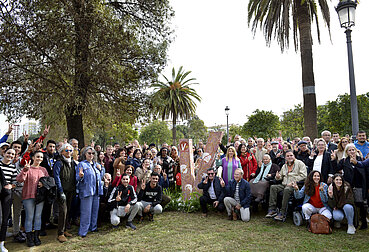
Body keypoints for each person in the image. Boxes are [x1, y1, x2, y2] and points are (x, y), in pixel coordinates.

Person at [16, 151, 49, 247]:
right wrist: (25, 170)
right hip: (28, 196)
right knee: (29, 217)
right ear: (33, 158)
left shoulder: (43, 170)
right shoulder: (28, 168)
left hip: (40, 197)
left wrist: (43, 184)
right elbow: (19, 179)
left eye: (41, 157)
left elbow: (48, 181)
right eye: (37, 156)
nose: (39, 159)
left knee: (38, 217)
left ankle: (36, 236)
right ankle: (29, 237)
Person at [266, 150, 307, 221]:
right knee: (273, 187)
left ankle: (283, 212)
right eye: (287, 156)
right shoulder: (284, 166)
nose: (290, 157)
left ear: (294, 156)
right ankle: (272, 209)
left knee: (287, 189)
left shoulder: (300, 163)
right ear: (285, 158)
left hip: (294, 185)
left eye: (291, 155)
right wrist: (277, 177)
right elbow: (280, 177)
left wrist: (293, 181)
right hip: (284, 184)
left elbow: (303, 175)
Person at [334, 144, 367, 230]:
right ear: (346, 152)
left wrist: (355, 163)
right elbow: (336, 168)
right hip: (349, 186)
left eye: (353, 150)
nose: (352, 151)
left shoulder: (361, 160)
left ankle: (364, 222)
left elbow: (363, 171)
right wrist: (333, 160)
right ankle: (353, 222)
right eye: (349, 150)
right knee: (351, 203)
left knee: (360, 204)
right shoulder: (344, 161)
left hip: (359, 185)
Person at [76, 147, 104, 237]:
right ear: (85, 154)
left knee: (94, 211)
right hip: (86, 191)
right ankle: (83, 231)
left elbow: (100, 177)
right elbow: (77, 179)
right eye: (89, 153)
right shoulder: (82, 164)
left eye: (93, 153)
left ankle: (93, 227)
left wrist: (101, 169)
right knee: (86, 212)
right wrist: (80, 176)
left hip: (96, 191)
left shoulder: (96, 165)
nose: (91, 155)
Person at [53, 143, 76, 242]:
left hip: (71, 190)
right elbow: (56, 177)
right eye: (67, 150)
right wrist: (60, 191)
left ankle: (65, 229)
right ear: (62, 152)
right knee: (63, 211)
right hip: (62, 190)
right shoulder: (59, 162)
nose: (69, 152)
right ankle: (60, 233)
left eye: (71, 150)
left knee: (68, 210)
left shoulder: (73, 162)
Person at [0, 148, 17, 252]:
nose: (10, 155)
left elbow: (15, 183)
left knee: (5, 220)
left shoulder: (13, 167)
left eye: (12, 154)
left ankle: (1, 243)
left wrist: (11, 185)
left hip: (6, 195)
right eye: (9, 153)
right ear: (4, 153)